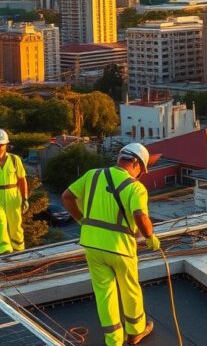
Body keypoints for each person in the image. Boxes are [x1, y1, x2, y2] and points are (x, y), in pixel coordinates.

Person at [62, 143, 160, 346]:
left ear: (120, 158)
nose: (140, 175)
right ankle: (135, 333)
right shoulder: (135, 187)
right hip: (120, 248)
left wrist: (82, 220)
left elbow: (67, 197)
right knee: (130, 289)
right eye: (141, 170)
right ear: (135, 163)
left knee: (104, 293)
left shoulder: (92, 175)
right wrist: (150, 237)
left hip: (92, 245)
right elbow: (140, 215)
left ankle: (113, 340)